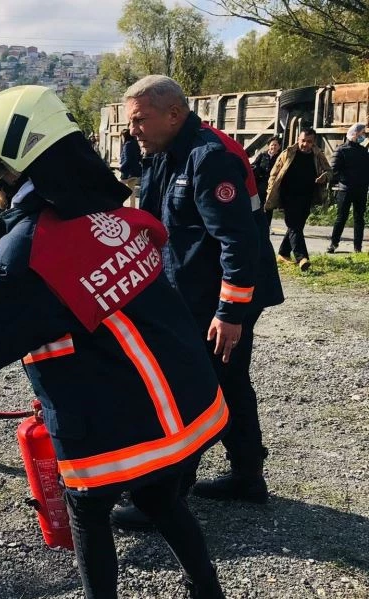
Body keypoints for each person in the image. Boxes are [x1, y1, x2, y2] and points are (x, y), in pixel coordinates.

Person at [0, 85, 227, 599]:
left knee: (87, 507)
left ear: (20, 170)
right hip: (178, 397)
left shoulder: (31, 253)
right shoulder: (106, 216)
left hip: (109, 413)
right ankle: (206, 590)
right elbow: (61, 290)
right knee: (158, 497)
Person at [111, 75, 284, 530]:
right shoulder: (166, 154)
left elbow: (238, 242)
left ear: (173, 114)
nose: (133, 130)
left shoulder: (209, 157)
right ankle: (248, 478)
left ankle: (169, 497)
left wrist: (230, 313)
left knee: (192, 387)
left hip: (224, 297)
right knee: (228, 383)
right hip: (197, 294)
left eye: (139, 120)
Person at [265, 127, 332, 271]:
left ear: (313, 143)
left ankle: (283, 253)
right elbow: (273, 174)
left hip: (307, 196)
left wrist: (325, 177)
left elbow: (330, 171)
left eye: (309, 142)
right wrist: (271, 192)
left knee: (297, 226)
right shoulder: (288, 153)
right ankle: (302, 258)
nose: (305, 144)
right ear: (298, 139)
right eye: (303, 141)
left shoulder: (317, 155)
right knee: (294, 226)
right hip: (288, 196)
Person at [327, 123, 369, 254]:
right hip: (345, 189)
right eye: (362, 133)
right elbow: (334, 170)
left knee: (359, 218)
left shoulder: (363, 151)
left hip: (360, 189)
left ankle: (358, 247)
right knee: (341, 217)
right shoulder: (341, 150)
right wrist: (345, 180)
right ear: (355, 134)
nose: (364, 136)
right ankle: (333, 243)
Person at [251, 136, 282, 225]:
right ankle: (257, 224)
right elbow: (254, 166)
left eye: (276, 145)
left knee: (269, 206)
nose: (274, 147)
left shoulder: (280, 157)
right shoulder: (262, 155)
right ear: (269, 146)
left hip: (273, 185)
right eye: (272, 145)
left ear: (279, 147)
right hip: (260, 184)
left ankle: (267, 225)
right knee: (258, 205)